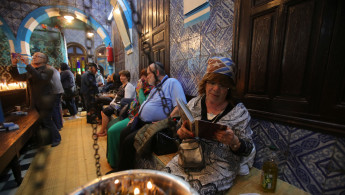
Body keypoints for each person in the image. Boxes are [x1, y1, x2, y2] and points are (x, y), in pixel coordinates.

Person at [162, 57, 256, 194]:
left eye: (223, 85)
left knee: (191, 192)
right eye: (212, 82)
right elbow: (179, 131)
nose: (216, 89)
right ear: (205, 83)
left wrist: (235, 141)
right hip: (188, 158)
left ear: (229, 88)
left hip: (220, 166)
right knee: (162, 184)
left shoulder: (240, 113)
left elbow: (248, 148)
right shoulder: (194, 103)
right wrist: (180, 133)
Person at [117, 62, 187, 171]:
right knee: (123, 133)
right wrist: (135, 118)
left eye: (149, 74)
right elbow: (145, 104)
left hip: (155, 126)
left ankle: (126, 173)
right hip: (140, 121)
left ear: (157, 72)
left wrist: (165, 120)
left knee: (128, 142)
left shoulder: (172, 83)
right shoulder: (155, 87)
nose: (146, 77)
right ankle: (121, 168)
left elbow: (181, 106)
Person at [9, 52, 61, 147]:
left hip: (46, 99)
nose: (34, 58)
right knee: (42, 121)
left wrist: (27, 64)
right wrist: (14, 64)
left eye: (37, 56)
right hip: (36, 100)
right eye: (34, 56)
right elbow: (18, 77)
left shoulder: (47, 70)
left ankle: (57, 138)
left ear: (44, 60)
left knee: (47, 120)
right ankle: (49, 139)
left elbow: (39, 78)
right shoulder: (32, 71)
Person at [106, 69, 153, 168]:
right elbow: (134, 101)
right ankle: (111, 159)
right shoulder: (142, 87)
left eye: (146, 75)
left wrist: (139, 90)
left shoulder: (151, 89)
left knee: (113, 131)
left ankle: (116, 162)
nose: (143, 78)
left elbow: (142, 103)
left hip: (137, 117)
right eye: (143, 76)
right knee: (110, 125)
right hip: (131, 113)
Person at [97, 70, 136, 136]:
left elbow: (126, 102)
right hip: (117, 105)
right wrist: (111, 103)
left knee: (105, 112)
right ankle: (105, 130)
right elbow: (116, 97)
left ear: (127, 77)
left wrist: (115, 104)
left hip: (122, 108)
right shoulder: (122, 86)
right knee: (103, 111)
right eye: (120, 76)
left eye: (123, 76)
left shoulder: (129, 86)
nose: (121, 77)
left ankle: (102, 130)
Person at [48, 65, 64, 130]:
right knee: (57, 109)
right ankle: (59, 125)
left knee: (54, 109)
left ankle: (57, 126)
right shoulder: (55, 70)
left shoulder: (48, 70)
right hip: (58, 91)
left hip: (54, 92)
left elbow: (49, 83)